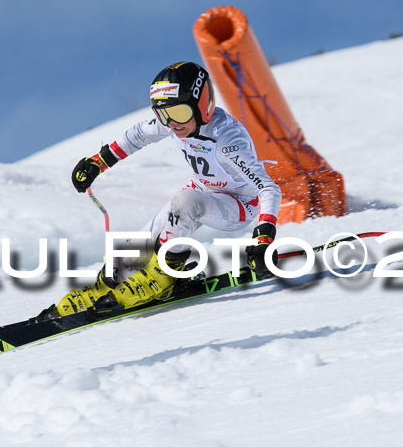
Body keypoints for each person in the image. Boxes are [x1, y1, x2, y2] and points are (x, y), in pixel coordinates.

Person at [58, 61, 281, 316]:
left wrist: (263, 238)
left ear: (202, 105)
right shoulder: (174, 122)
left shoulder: (228, 140)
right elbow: (137, 136)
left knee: (185, 202)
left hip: (239, 205)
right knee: (131, 251)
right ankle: (103, 287)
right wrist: (98, 162)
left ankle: (164, 276)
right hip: (203, 192)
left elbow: (267, 189)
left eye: (180, 113)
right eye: (164, 114)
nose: (173, 124)